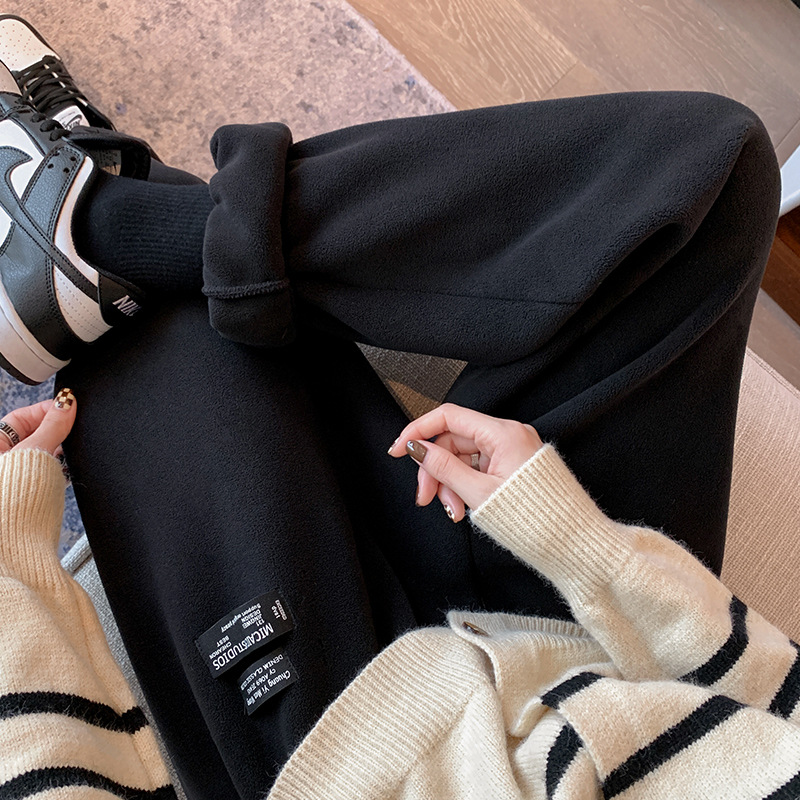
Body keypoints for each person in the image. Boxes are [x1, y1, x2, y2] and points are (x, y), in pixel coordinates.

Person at [0, 14, 792, 799]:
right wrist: (573, 537)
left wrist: (16, 559)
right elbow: (770, 698)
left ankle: (89, 208)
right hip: (591, 660)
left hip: (347, 760)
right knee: (712, 169)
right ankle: (99, 218)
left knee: (159, 322)